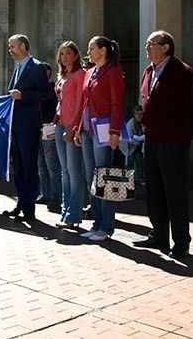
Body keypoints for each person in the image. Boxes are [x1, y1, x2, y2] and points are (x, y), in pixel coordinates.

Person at [133, 31, 193, 259]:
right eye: (146, 44)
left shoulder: (182, 72)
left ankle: (181, 240)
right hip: (152, 139)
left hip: (174, 141)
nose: (147, 48)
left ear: (165, 47)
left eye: (151, 44)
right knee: (154, 189)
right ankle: (159, 234)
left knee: (175, 191)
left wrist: (185, 134)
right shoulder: (148, 72)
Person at [74, 36, 126, 241]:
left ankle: (106, 226)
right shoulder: (89, 73)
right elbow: (84, 102)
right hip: (87, 129)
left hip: (103, 130)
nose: (89, 51)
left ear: (103, 51)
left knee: (104, 177)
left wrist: (115, 132)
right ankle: (96, 223)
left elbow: (116, 104)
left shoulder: (112, 72)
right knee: (91, 177)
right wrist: (78, 128)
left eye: (92, 48)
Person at [1, 34, 53, 222]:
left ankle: (29, 209)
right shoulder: (17, 67)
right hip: (15, 126)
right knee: (18, 169)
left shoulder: (36, 66)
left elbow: (46, 93)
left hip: (28, 125)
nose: (10, 49)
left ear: (22, 46)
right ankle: (21, 203)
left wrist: (23, 95)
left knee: (29, 167)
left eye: (12, 46)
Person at [53, 41, 86, 229]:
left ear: (76, 55)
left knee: (74, 172)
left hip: (70, 127)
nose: (65, 57)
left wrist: (72, 127)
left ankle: (74, 214)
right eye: (62, 54)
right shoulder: (62, 76)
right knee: (64, 171)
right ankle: (65, 212)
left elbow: (81, 103)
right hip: (58, 125)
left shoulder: (80, 75)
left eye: (68, 53)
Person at [37, 62, 61, 213]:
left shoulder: (53, 88)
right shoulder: (36, 90)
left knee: (52, 164)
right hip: (37, 128)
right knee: (41, 164)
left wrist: (52, 123)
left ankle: (56, 196)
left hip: (49, 127)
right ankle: (44, 193)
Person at [119, 105, 145, 186]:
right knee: (130, 160)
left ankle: (140, 178)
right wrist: (138, 138)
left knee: (139, 159)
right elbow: (128, 137)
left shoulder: (144, 122)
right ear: (134, 114)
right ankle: (128, 179)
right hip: (129, 146)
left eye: (141, 114)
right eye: (137, 114)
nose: (139, 116)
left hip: (138, 146)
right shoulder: (131, 123)